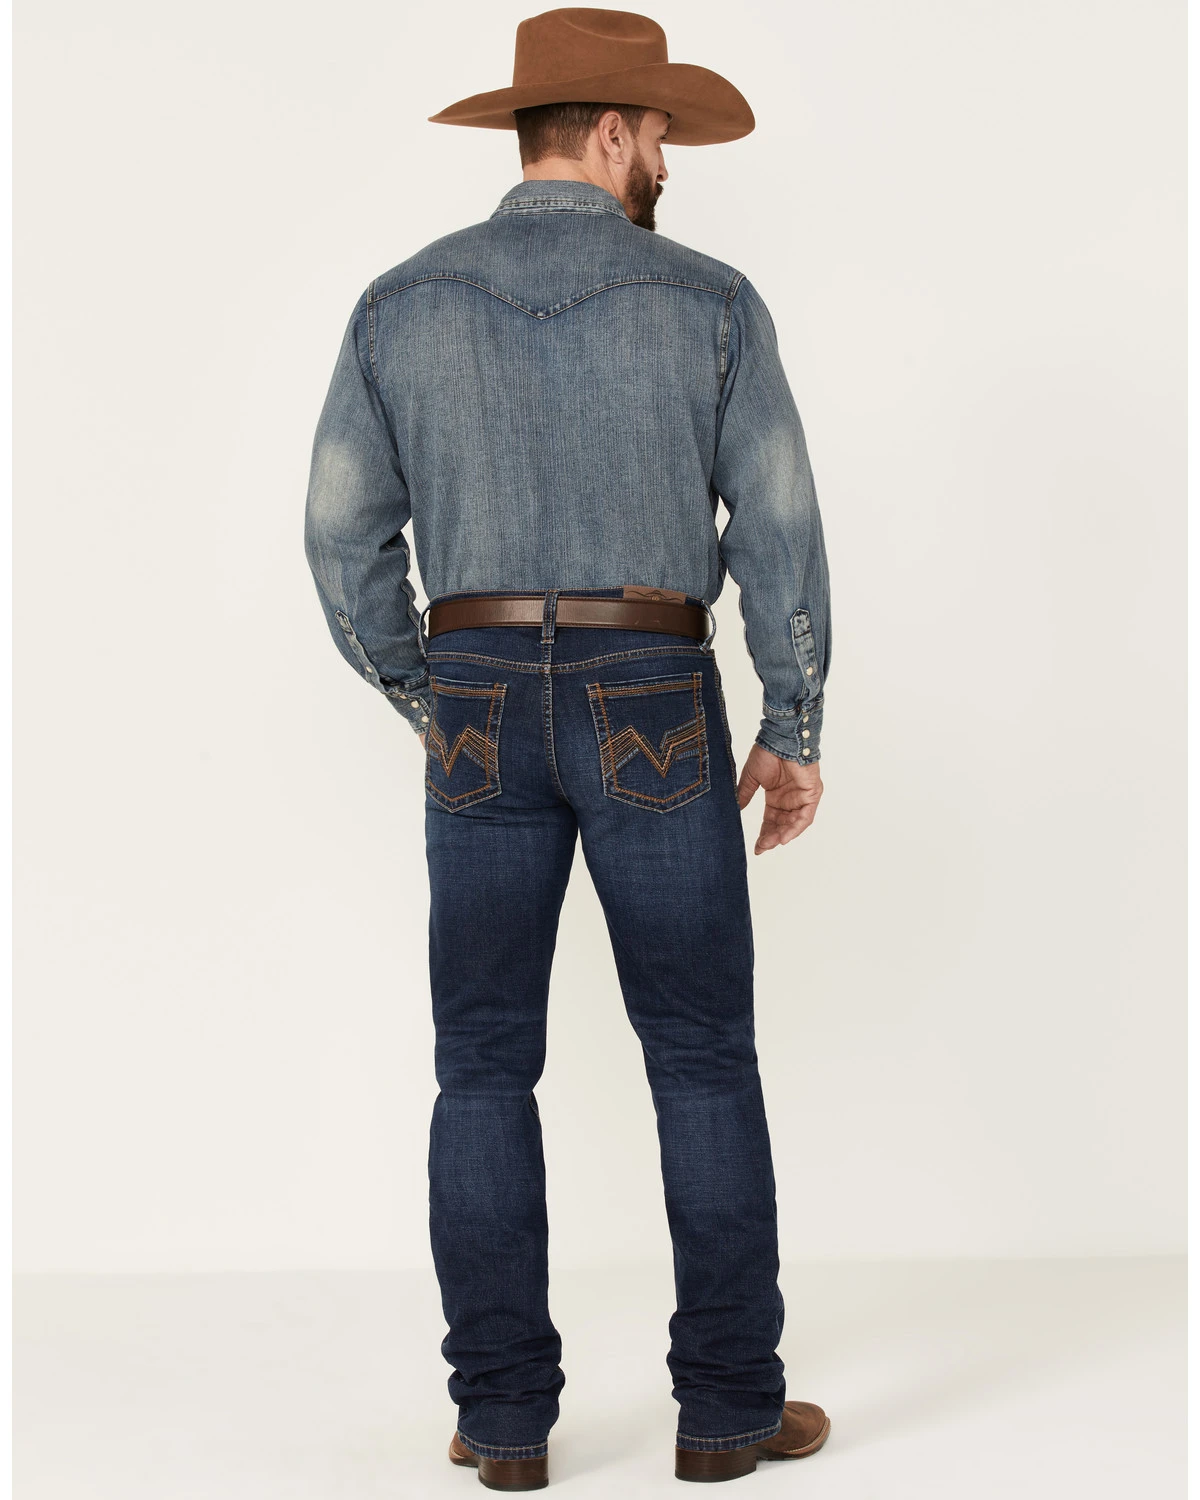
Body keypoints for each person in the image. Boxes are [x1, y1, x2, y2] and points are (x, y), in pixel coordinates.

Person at [303, 7, 832, 1489]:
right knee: (702, 1057)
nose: (664, 158)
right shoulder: (710, 300)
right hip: (651, 683)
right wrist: (791, 725)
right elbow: (780, 525)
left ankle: (503, 1424)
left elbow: (341, 535)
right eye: (656, 132)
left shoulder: (400, 305)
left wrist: (431, 699)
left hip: (476, 683)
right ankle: (727, 1410)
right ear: (608, 131)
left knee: (480, 1068)